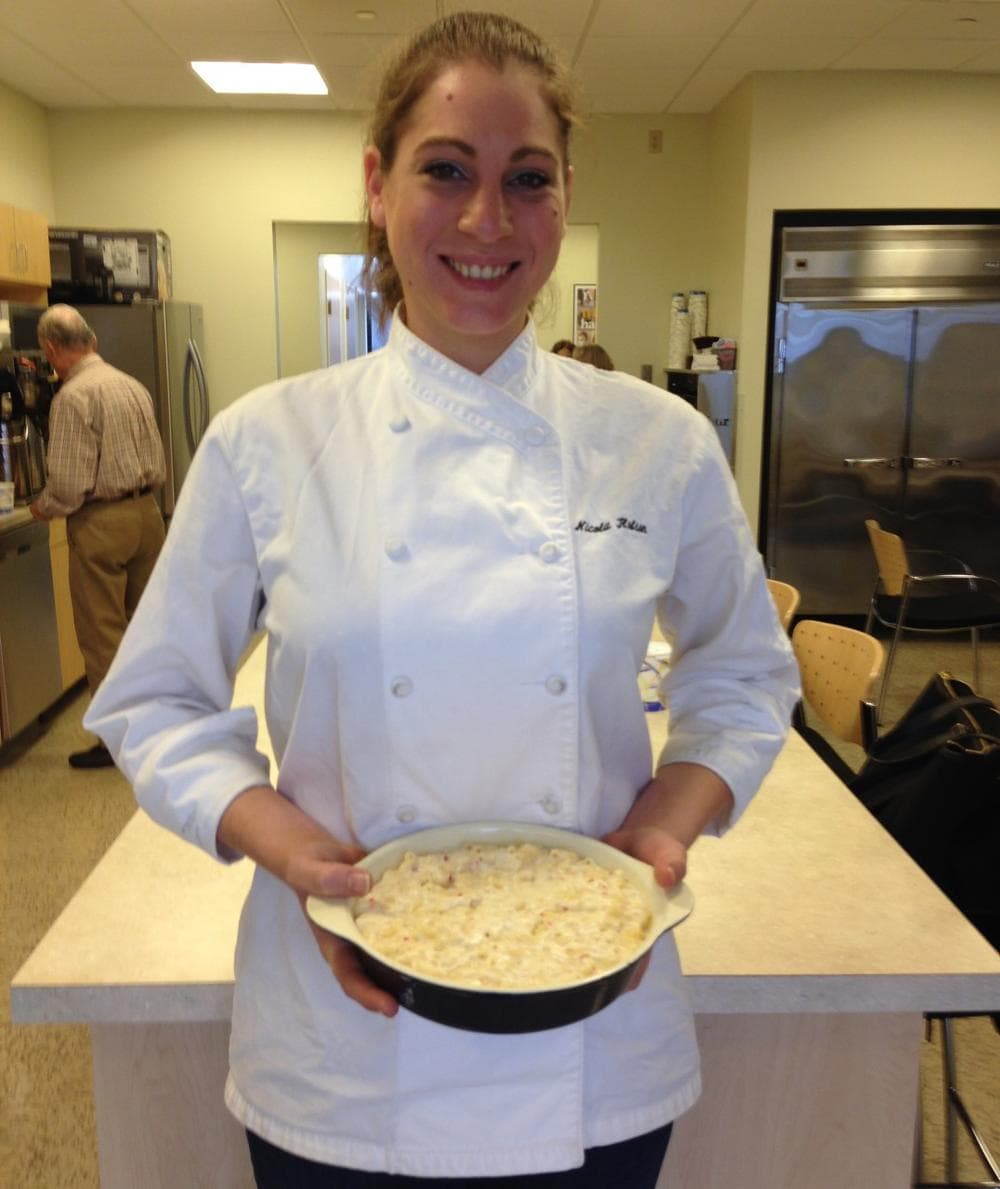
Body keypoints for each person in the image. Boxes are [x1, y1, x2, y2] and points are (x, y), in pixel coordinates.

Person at [86, 11, 799, 1186]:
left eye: (527, 179)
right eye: (445, 172)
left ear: (567, 192)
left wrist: (665, 828)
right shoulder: (269, 441)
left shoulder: (656, 440)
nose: (487, 221)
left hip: (596, 1024)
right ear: (376, 183)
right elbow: (155, 700)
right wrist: (297, 857)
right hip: (344, 1035)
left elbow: (743, 673)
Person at [30, 304, 166, 769]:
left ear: (51, 349)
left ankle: (119, 744)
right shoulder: (130, 385)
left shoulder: (73, 396)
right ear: (92, 340)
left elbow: (68, 486)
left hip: (102, 523)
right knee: (144, 631)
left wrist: (41, 507)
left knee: (104, 637)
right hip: (148, 516)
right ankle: (155, 727)